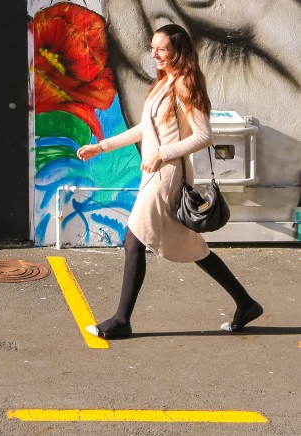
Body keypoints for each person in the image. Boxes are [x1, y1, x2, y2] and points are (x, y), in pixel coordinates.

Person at [76, 23, 263, 338]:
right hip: (156, 174)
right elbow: (144, 130)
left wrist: (162, 152)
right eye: (153, 48)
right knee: (193, 247)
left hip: (168, 176)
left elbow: (204, 135)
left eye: (161, 49)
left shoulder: (187, 84)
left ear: (178, 50)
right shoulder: (165, 82)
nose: (155, 54)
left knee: (133, 239)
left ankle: (122, 320)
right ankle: (246, 303)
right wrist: (102, 146)